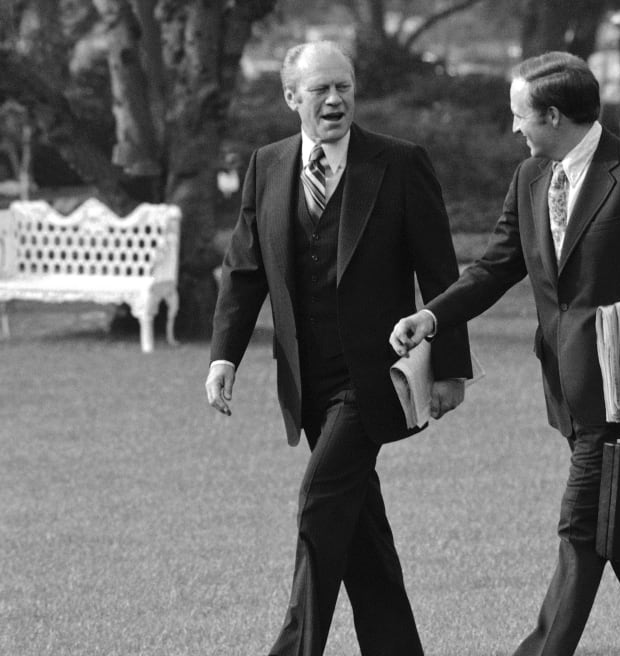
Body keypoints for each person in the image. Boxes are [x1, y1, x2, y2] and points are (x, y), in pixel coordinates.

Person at [390, 51, 620, 656]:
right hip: (567, 389)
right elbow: (496, 267)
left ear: (554, 115)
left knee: (581, 528)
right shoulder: (531, 177)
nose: (514, 128)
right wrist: (431, 315)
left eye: (520, 115)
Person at [204, 41, 472, 656]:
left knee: (319, 505)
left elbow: (439, 270)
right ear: (291, 96)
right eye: (321, 89)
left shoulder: (400, 163)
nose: (335, 100)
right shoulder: (267, 164)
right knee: (360, 534)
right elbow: (245, 271)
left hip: (374, 376)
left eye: (344, 87)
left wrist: (451, 367)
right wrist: (225, 356)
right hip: (307, 380)